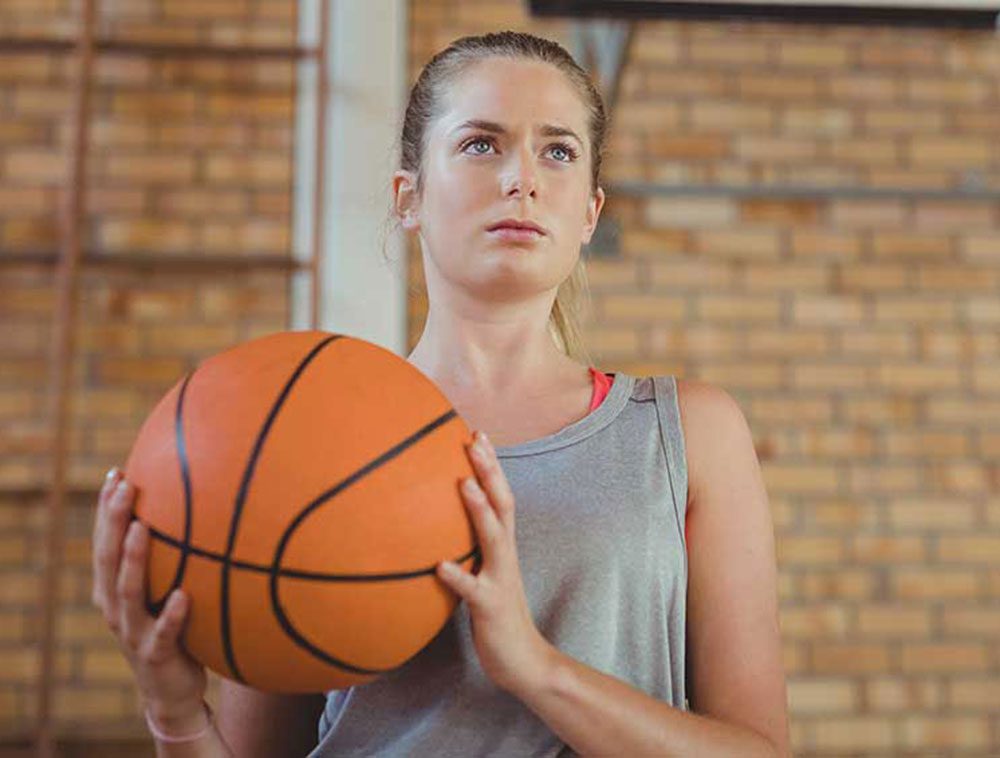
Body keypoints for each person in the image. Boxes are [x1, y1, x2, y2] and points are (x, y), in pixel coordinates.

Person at [91, 30, 791, 757]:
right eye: (481, 144)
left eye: (558, 151)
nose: (522, 177)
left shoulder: (690, 431)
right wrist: (174, 712)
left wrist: (534, 667)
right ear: (409, 196)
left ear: (589, 212)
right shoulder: (310, 430)